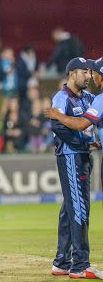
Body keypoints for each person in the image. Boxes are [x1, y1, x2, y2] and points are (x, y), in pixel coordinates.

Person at [45, 57, 103, 279]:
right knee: (79, 209)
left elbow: (90, 122)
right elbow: (57, 124)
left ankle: (61, 262)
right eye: (84, 72)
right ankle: (80, 265)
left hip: (83, 155)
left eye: (90, 72)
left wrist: (91, 143)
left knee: (70, 209)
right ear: (72, 74)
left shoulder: (88, 97)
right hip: (71, 157)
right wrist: (83, 144)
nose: (88, 76)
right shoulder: (61, 98)